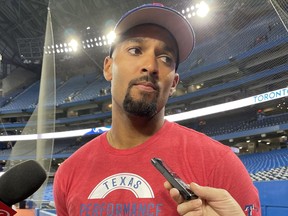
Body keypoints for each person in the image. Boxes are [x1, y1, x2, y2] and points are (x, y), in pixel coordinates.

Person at [53, 3, 261, 216]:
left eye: (165, 58)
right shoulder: (69, 172)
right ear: (108, 67)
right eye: (135, 50)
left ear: (173, 83)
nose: (150, 66)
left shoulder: (220, 164)